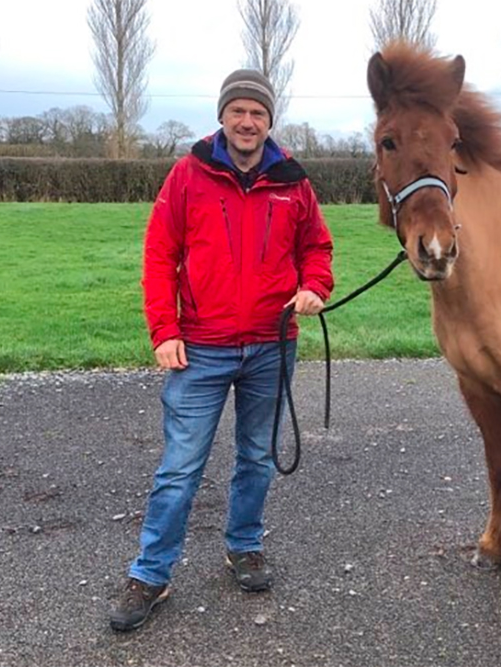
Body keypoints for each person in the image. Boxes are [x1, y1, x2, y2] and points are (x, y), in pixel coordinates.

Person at [110, 69, 334, 632]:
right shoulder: (188, 175)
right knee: (180, 469)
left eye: (257, 112)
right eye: (238, 110)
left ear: (268, 121)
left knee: (257, 457)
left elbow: (317, 246)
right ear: (222, 116)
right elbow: (160, 253)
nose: (247, 121)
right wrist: (164, 330)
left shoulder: (293, 181)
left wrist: (315, 285)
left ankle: (244, 546)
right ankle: (152, 574)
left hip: (271, 343)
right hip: (201, 350)